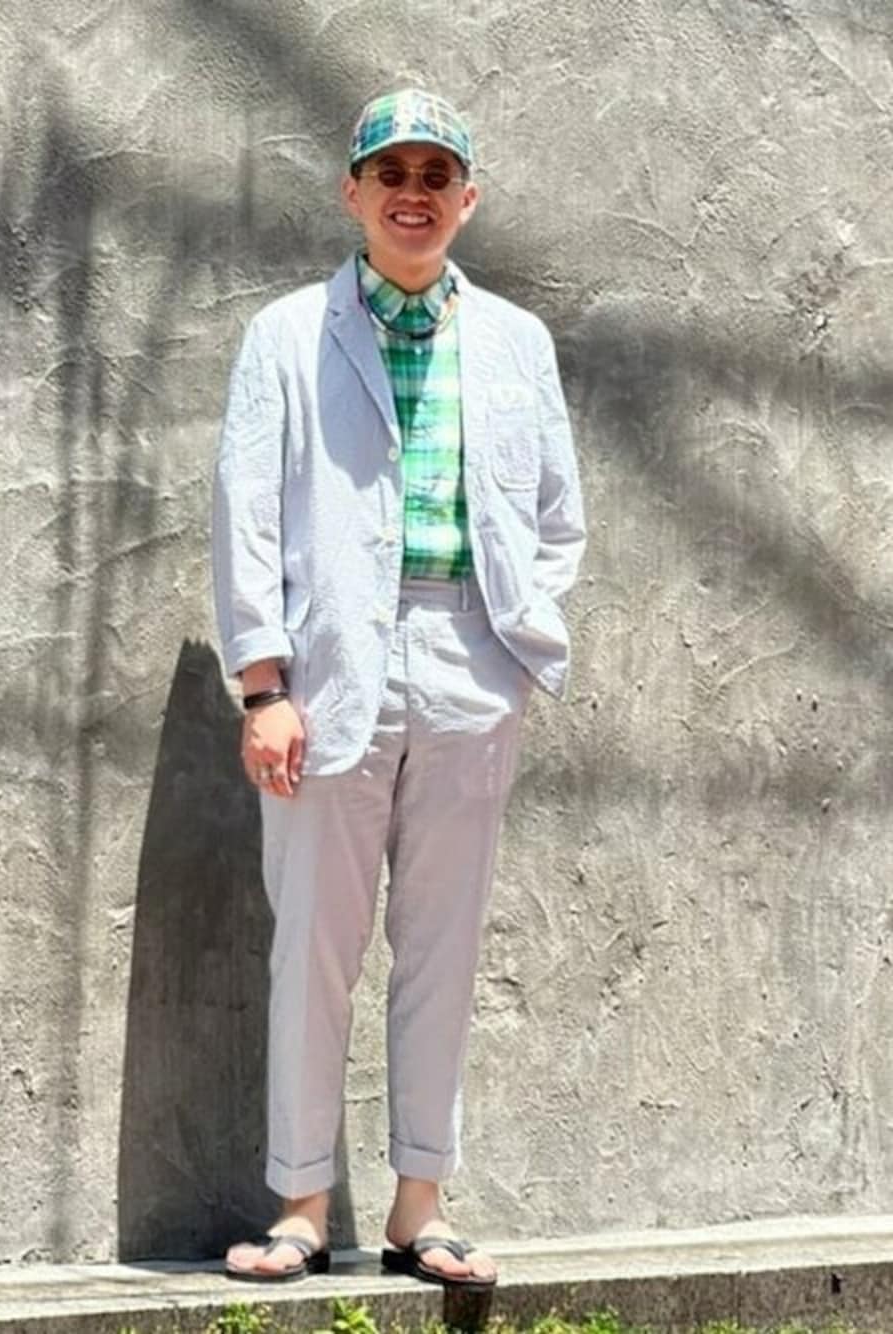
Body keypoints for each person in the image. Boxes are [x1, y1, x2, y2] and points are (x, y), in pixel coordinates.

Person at [212, 87, 585, 1289]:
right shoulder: (286, 334)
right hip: (328, 669)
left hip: (469, 661)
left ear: (466, 198)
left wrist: (513, 646)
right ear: (353, 193)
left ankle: (420, 1204)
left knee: (444, 944)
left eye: (435, 174)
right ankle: (300, 1205)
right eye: (391, 173)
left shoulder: (517, 341)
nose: (412, 193)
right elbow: (244, 515)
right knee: (315, 941)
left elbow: (556, 514)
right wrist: (263, 684)